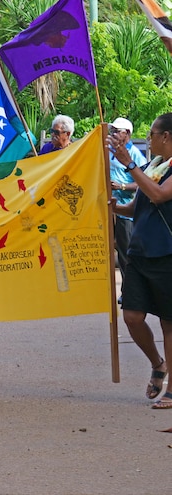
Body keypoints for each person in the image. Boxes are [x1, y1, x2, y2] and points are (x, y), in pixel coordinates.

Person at [109, 112, 172, 407]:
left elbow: (159, 195)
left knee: (168, 324)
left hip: (166, 255)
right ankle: (158, 363)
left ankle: (171, 391)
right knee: (132, 317)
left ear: (166, 137)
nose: (148, 140)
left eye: (151, 135)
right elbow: (137, 207)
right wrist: (113, 207)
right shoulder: (154, 165)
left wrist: (129, 165)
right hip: (139, 253)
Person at [109, 118, 147, 287]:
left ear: (127, 134)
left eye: (118, 131)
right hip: (109, 206)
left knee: (125, 253)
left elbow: (143, 183)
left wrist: (122, 186)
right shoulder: (110, 151)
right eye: (113, 131)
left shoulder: (136, 156)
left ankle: (128, 289)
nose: (114, 134)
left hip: (126, 209)